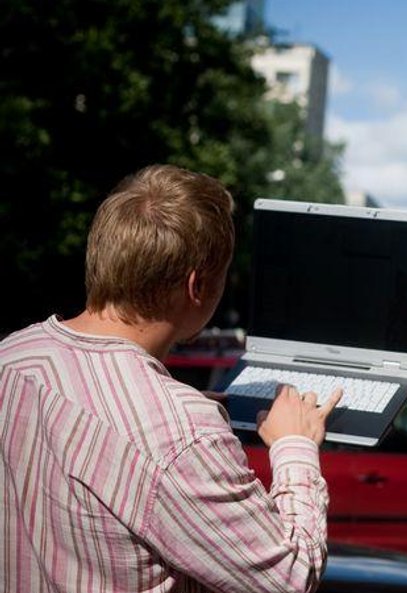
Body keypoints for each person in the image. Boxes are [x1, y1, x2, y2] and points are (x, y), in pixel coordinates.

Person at [0, 164, 341, 592]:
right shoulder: (182, 434)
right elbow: (290, 579)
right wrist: (297, 448)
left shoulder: (13, 356)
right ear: (197, 286)